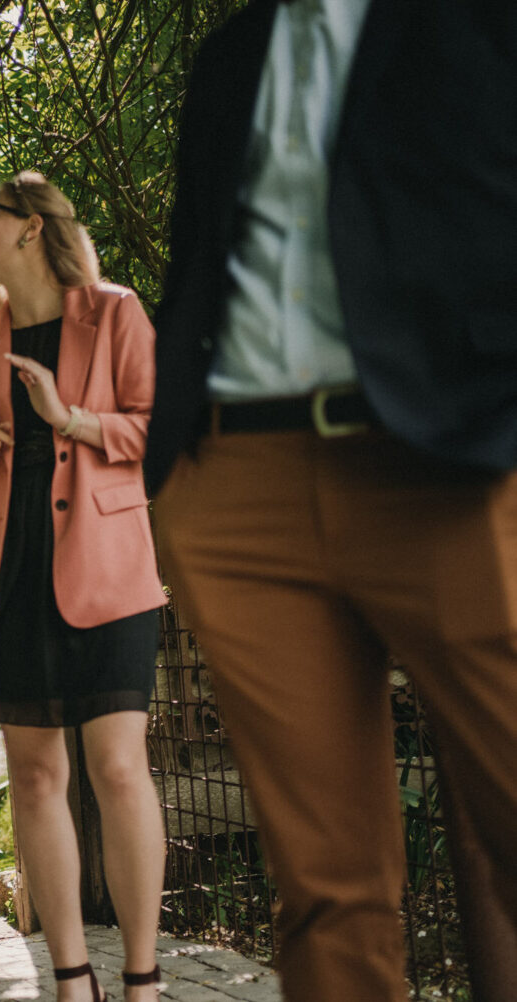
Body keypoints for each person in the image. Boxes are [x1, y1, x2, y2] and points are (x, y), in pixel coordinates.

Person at [145, 3, 517, 1000]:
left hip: (448, 468)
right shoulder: (231, 56)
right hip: (239, 485)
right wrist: (174, 475)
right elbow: (199, 271)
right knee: (326, 890)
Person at [0, 173, 168, 1001]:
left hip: (108, 566)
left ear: (30, 228)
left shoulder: (114, 311)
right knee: (35, 777)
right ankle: (71, 978)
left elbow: (157, 428)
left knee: (115, 767)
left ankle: (141, 979)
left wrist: (71, 418)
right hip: (15, 567)